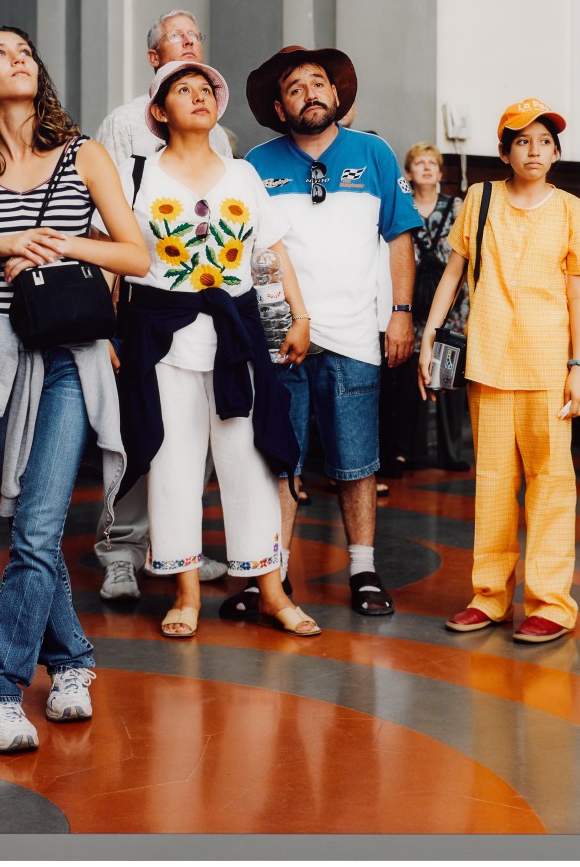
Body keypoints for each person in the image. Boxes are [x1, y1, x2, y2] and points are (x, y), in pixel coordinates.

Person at [0, 25, 150, 754]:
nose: (18, 57)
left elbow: (138, 253)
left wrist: (61, 242)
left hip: (69, 356)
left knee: (35, 529)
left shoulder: (82, 153)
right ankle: (72, 662)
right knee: (35, 518)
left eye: (24, 50)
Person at [114, 59, 320, 639]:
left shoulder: (242, 175)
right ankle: (185, 592)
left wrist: (299, 316)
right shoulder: (138, 177)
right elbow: (114, 260)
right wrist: (109, 335)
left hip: (237, 332)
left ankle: (270, 590)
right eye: (184, 89)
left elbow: (271, 252)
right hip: (161, 335)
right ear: (159, 110)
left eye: (207, 89)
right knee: (172, 463)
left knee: (250, 461)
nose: (199, 97)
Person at [242, 46, 422, 618]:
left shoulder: (373, 154)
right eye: (295, 88)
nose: (309, 94)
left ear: (337, 95)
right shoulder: (255, 164)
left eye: (318, 83)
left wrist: (401, 311)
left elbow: (399, 237)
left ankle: (363, 569)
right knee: (278, 459)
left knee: (357, 459)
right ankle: (274, 573)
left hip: (353, 331)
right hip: (279, 336)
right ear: (278, 106)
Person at [420, 99, 580, 642]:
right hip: (490, 361)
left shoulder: (573, 211)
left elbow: (579, 296)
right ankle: (490, 595)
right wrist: (429, 332)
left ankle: (551, 602)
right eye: (523, 141)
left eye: (545, 141)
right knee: (495, 483)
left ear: (556, 152)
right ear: (504, 152)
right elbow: (453, 272)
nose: (535, 150)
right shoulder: (479, 200)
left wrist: (579, 366)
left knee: (551, 483)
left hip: (549, 365)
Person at [89, 9, 234, 599]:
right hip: (139, 308)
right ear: (154, 58)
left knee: (192, 435)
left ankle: (179, 550)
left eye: (197, 35)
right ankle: (120, 551)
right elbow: (102, 228)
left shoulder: (218, 130)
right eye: (179, 37)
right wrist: (104, 324)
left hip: (207, 309)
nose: (192, 42)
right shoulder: (125, 124)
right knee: (138, 433)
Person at [386, 142, 469, 472]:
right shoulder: (402, 206)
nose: (426, 168)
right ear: (408, 173)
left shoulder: (457, 206)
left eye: (432, 163)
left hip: (451, 303)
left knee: (448, 372)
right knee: (412, 375)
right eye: (418, 163)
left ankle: (450, 451)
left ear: (439, 172)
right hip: (413, 302)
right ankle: (412, 449)